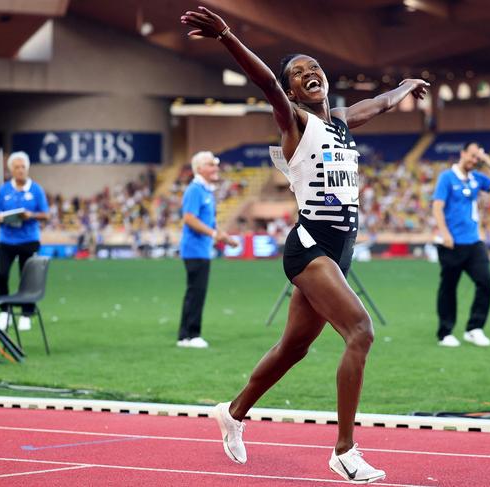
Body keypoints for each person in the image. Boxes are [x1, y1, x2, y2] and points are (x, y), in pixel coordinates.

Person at [181, 6, 429, 483]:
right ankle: (344, 450)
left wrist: (403, 88)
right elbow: (267, 85)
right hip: (311, 246)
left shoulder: (337, 122)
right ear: (291, 90)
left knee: (294, 347)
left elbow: (374, 106)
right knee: (360, 331)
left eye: (314, 68)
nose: (308, 74)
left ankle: (232, 413)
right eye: (298, 73)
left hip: (340, 249)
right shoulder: (293, 120)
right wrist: (229, 36)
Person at [432, 141, 490, 347]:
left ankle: (474, 328)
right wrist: (445, 233)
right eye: (473, 155)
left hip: (474, 241)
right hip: (451, 243)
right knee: (448, 288)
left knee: (486, 281)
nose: (474, 160)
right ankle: (445, 332)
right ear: (463, 153)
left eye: (478, 158)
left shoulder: (477, 178)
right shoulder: (447, 177)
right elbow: (437, 207)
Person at [177, 151, 236, 349]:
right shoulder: (195, 190)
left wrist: (225, 238)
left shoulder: (205, 191)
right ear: (199, 168)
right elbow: (189, 218)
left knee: (194, 292)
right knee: (197, 292)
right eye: (211, 164)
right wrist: (213, 234)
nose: (215, 168)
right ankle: (192, 335)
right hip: (195, 249)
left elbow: (208, 222)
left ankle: (185, 335)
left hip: (200, 249)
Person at [0, 151, 49, 332]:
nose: (20, 170)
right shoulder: (3, 190)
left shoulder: (36, 190)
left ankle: (27, 313)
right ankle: (5, 310)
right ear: (11, 169)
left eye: (23, 167)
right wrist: (1, 218)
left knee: (27, 278)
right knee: (0, 274)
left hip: (29, 239)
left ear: (27, 168)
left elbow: (46, 214)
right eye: (17, 167)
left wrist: (31, 215)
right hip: (6, 239)